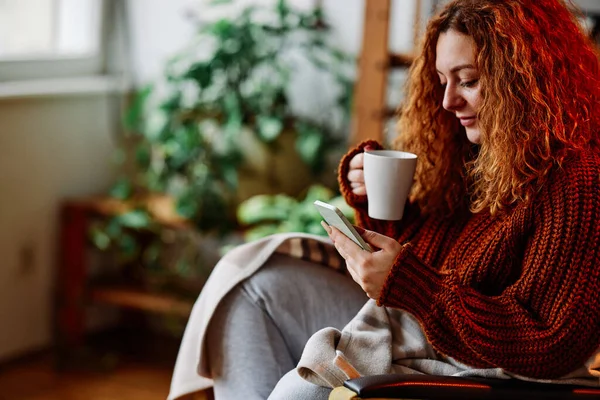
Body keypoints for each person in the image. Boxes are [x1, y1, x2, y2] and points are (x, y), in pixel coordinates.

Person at [169, 0, 600, 399]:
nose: (448, 101)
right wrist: (376, 204)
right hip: (415, 325)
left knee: (302, 392)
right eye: (442, 80)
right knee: (247, 285)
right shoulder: (474, 154)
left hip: (468, 364)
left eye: (468, 81)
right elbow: (432, 258)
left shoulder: (578, 183)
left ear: (526, 79)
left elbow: (551, 347)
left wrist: (414, 288)